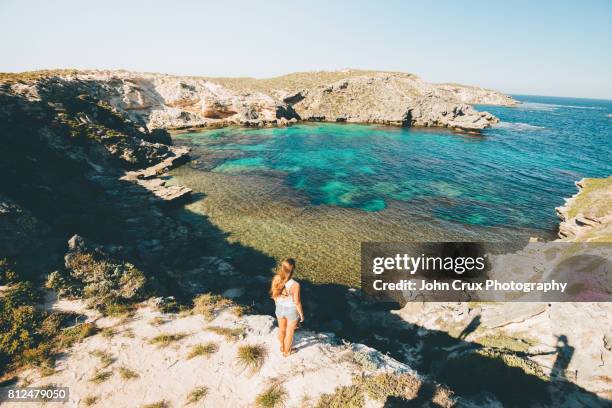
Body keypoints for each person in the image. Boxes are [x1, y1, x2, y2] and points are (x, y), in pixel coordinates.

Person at [269, 258, 304, 357]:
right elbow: (297, 302)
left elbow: (274, 296)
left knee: (281, 329)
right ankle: (286, 352)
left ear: (282, 267)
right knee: (289, 332)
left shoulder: (276, 278)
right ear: (293, 269)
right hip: (291, 310)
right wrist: (301, 315)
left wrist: (278, 305)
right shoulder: (295, 285)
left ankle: (282, 346)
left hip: (279, 308)